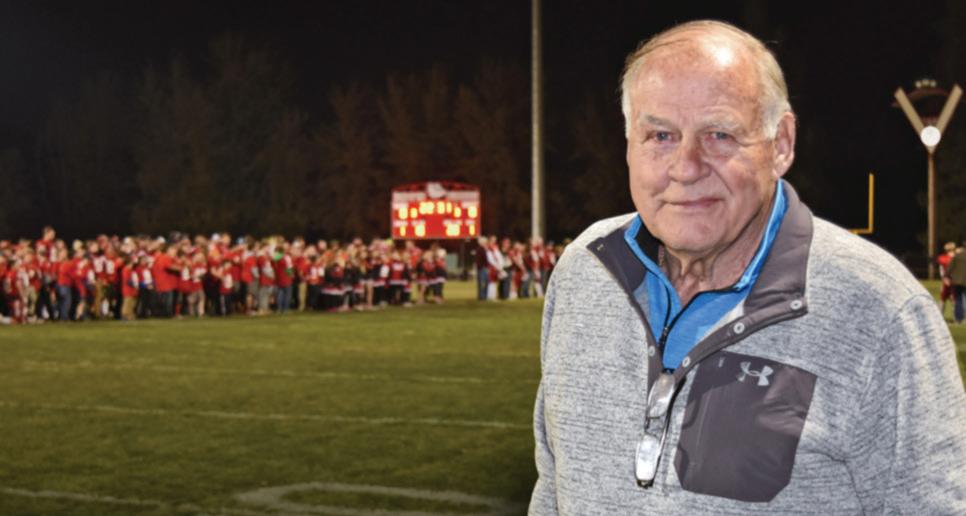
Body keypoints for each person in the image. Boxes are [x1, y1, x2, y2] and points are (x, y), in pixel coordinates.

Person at [529, 20, 966, 515]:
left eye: (719, 134)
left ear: (781, 144)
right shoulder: (585, 272)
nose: (686, 167)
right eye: (660, 135)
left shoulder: (877, 312)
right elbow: (552, 489)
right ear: (629, 143)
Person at [947, 241, 966, 324]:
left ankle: (959, 318)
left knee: (958, 299)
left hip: (957, 281)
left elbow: (950, 268)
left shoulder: (957, 256)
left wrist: (946, 276)